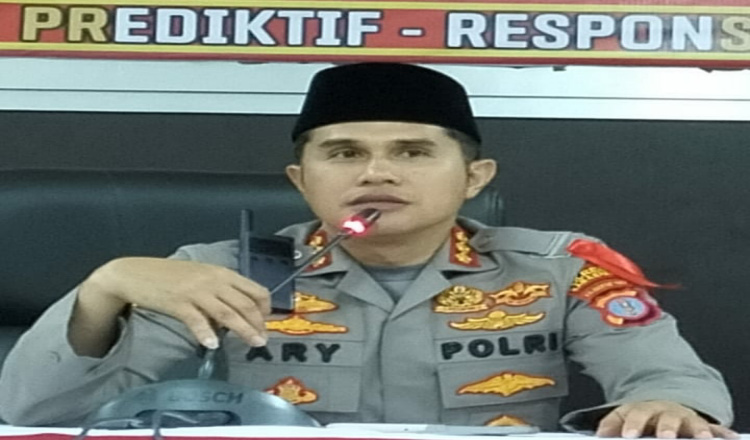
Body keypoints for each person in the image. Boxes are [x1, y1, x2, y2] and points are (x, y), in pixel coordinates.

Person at [0, 63, 737, 438]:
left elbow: (668, 377)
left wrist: (667, 405)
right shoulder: (220, 268)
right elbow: (33, 414)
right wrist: (103, 288)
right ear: (302, 179)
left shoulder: (562, 266)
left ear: (475, 178)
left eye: (412, 151)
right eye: (344, 152)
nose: (376, 173)